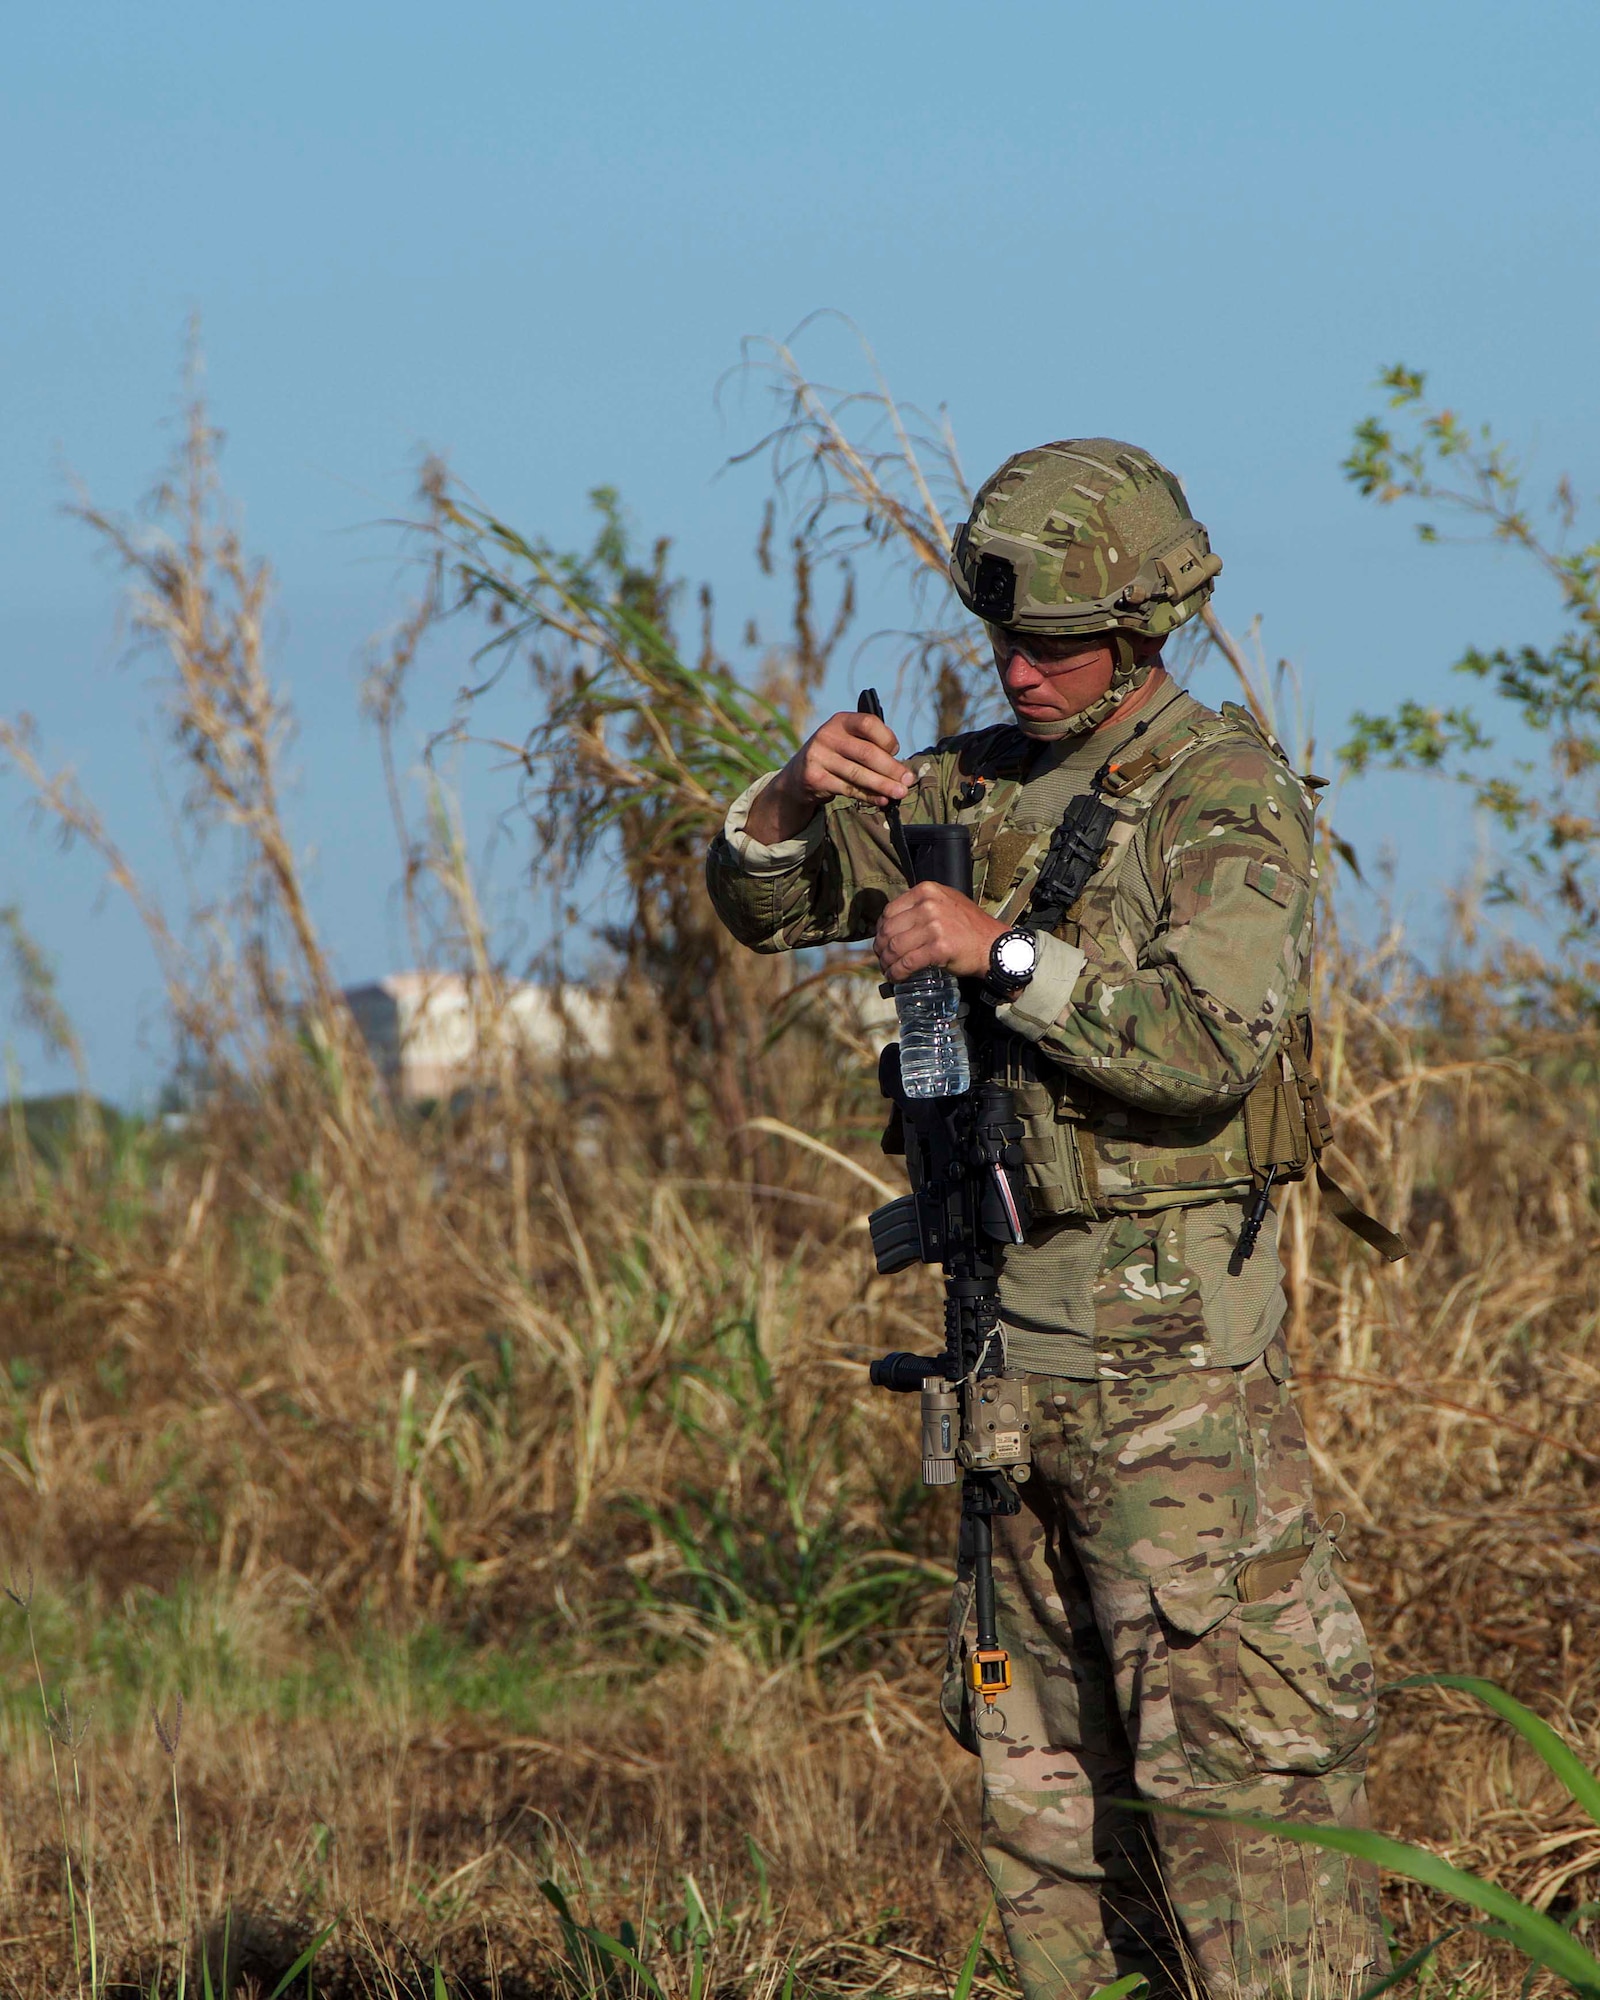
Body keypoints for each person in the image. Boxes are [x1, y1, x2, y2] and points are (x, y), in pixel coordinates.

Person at [705, 440, 1387, 2000]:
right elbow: (762, 904)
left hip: (1173, 1391)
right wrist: (790, 792)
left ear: (1146, 625)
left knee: (1241, 1779)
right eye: (1002, 637)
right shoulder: (970, 784)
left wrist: (1003, 956)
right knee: (1041, 1793)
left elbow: (1212, 1044)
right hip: (1004, 1370)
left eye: (1055, 644)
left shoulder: (1226, 796)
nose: (1019, 668)